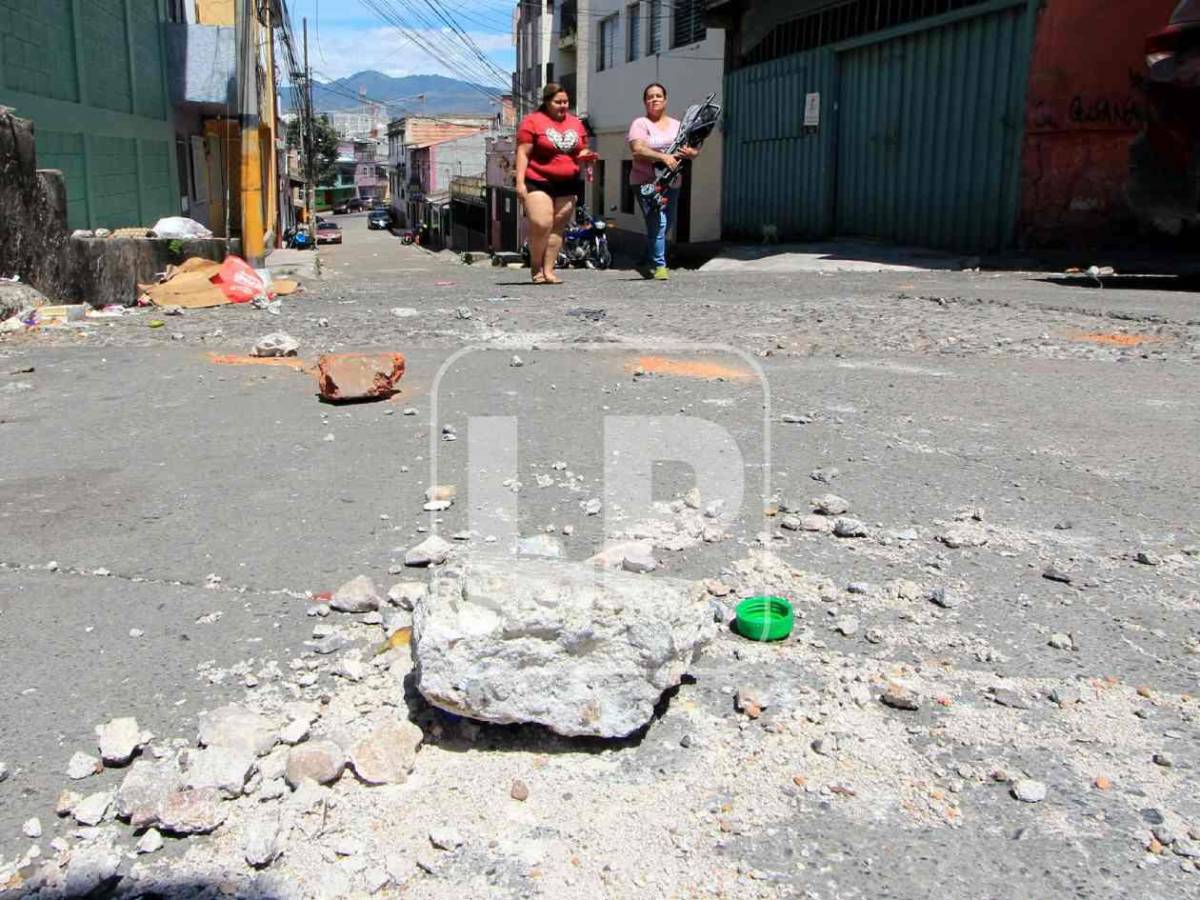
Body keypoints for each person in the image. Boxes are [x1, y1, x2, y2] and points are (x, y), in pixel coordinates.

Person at [515, 83, 598, 284]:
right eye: (557, 102)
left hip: (568, 181)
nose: (562, 105)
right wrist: (520, 181)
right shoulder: (533, 122)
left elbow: (581, 148)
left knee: (557, 227)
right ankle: (536, 267)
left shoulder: (576, 123)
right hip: (538, 179)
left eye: (565, 102)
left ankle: (549, 270)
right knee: (542, 223)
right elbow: (523, 152)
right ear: (546, 102)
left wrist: (587, 155)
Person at [628, 83, 699, 280]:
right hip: (646, 182)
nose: (654, 99)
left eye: (658, 96)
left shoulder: (678, 125)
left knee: (665, 225)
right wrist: (663, 157)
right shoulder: (640, 124)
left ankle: (647, 257)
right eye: (650, 97)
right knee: (658, 222)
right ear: (645, 102)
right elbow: (637, 150)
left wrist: (691, 153)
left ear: (665, 100)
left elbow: (693, 149)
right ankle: (660, 266)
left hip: (672, 182)